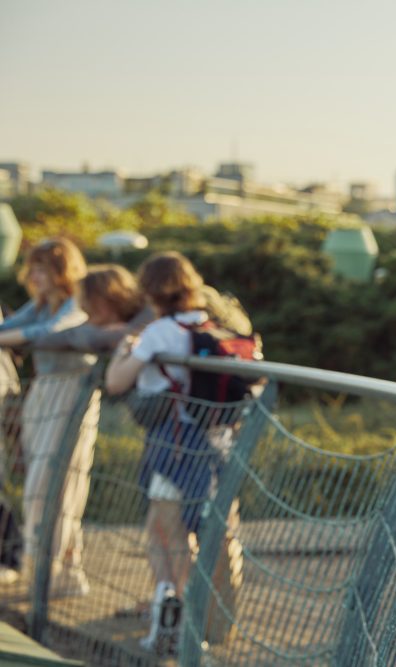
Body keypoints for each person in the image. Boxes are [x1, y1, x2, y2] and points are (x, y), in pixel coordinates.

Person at [105, 252, 220, 653]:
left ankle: (175, 612)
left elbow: (117, 382)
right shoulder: (207, 323)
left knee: (165, 528)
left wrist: (123, 352)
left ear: (150, 289)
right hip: (211, 442)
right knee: (181, 527)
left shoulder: (160, 332)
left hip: (172, 441)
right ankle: (178, 608)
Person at [0, 237, 96, 595]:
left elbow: (52, 333)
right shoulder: (40, 304)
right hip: (43, 394)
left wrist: (10, 338)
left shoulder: (76, 302)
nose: (35, 275)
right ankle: (50, 571)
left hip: (72, 394)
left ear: (62, 270)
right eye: (33, 267)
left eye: (44, 268)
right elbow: (17, 329)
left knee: (56, 484)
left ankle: (55, 572)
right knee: (38, 487)